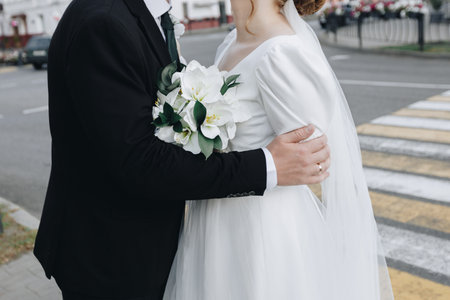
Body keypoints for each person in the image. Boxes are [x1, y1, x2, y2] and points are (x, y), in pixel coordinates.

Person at [33, 0, 331, 299]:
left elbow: (310, 148)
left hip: (253, 232)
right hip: (112, 251)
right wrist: (266, 166)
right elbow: (139, 160)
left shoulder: (149, 17)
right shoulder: (104, 22)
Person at [162, 0, 394, 299]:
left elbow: (312, 152)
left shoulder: (281, 51)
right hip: (214, 218)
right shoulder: (233, 40)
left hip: (260, 227)